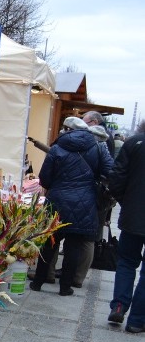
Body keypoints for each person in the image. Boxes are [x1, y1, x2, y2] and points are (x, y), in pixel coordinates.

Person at [29, 117, 114, 296]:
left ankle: (38, 282)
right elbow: (110, 171)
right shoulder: (97, 148)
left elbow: (44, 178)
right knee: (73, 246)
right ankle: (65, 287)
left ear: (67, 131)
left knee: (49, 243)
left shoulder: (58, 148)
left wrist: (56, 186)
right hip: (84, 202)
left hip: (56, 201)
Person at [106, 125, 145, 333]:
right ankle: (138, 320)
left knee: (127, 262)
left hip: (133, 216)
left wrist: (125, 201)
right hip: (133, 213)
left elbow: (117, 177)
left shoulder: (134, 143)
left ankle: (119, 306)